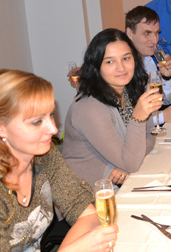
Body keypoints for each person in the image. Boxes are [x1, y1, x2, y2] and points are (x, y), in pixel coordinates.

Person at [0, 69, 117, 252]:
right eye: (37, 122)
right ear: (0, 128)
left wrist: (68, 251)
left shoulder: (44, 157)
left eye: (50, 115)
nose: (53, 129)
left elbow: (85, 211)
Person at [62, 29, 161, 189]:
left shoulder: (129, 90)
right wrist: (137, 119)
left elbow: (150, 138)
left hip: (122, 180)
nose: (121, 68)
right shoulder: (89, 107)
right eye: (110, 62)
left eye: (126, 58)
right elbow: (132, 163)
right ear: (96, 66)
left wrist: (126, 163)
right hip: (90, 194)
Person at [125, 6, 171, 124]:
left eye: (157, 33)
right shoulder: (123, 69)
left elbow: (165, 100)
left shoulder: (149, 61)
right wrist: (162, 117)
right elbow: (127, 121)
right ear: (130, 33)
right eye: (147, 33)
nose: (154, 40)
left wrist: (167, 77)